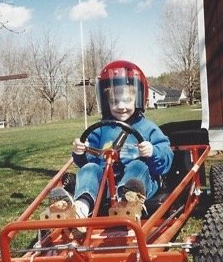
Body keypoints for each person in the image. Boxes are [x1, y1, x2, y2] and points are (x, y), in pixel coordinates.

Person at [51, 60, 173, 233]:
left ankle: (128, 204)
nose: (121, 106)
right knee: (90, 168)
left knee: (138, 165)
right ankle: (80, 209)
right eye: (115, 101)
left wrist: (153, 151)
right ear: (106, 102)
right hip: (106, 186)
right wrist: (80, 152)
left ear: (138, 98)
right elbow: (88, 159)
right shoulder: (101, 129)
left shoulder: (148, 128)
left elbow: (166, 159)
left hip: (142, 185)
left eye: (127, 100)